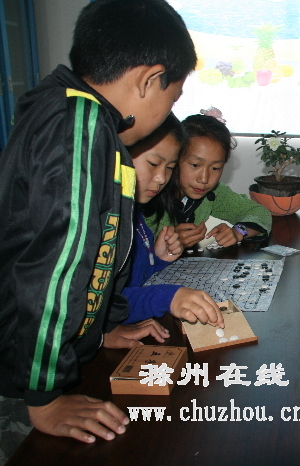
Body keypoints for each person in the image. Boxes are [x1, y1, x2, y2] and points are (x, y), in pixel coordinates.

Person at [0, 0, 196, 445]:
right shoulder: (83, 124)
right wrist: (44, 395)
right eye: (172, 98)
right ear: (149, 79)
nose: (167, 111)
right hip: (24, 375)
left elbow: (99, 254)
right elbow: (59, 267)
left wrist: (103, 328)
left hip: (44, 356)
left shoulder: (66, 108)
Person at [121, 113, 224, 327]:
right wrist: (168, 297)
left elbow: (131, 281)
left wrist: (157, 259)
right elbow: (97, 303)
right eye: (153, 164)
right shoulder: (109, 219)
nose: (162, 178)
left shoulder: (133, 213)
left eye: (169, 168)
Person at [145, 111, 272, 249]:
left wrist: (239, 231)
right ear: (175, 158)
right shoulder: (149, 194)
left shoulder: (213, 193)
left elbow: (259, 212)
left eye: (215, 168)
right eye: (195, 165)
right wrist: (167, 243)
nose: (204, 179)